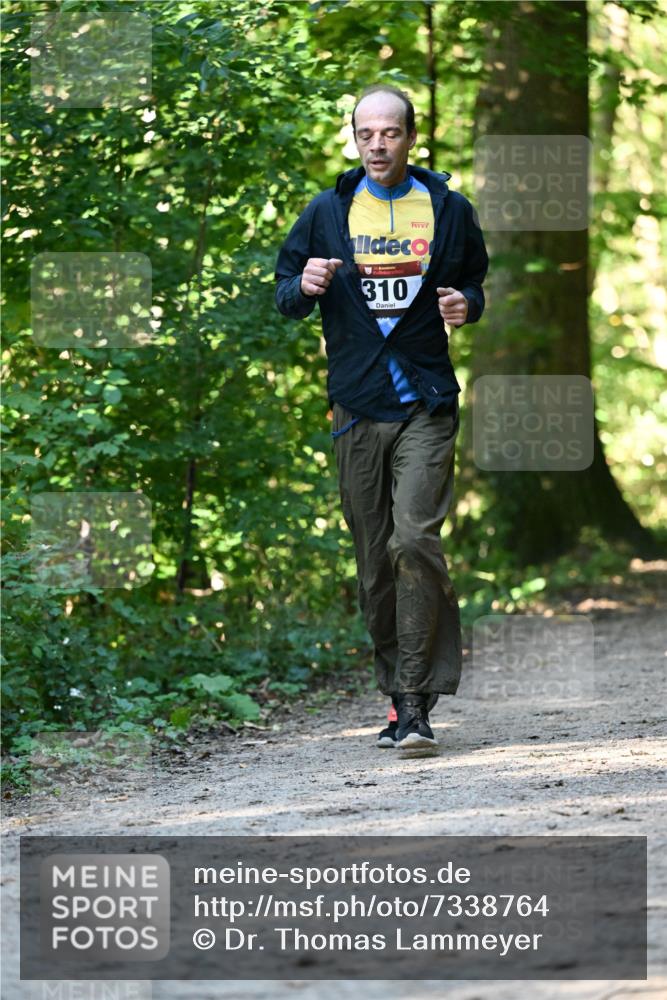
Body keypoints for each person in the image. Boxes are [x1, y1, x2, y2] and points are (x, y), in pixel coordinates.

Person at [274, 84, 488, 750]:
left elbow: (475, 280)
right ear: (353, 137)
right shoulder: (327, 211)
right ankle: (396, 697)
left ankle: (418, 702)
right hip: (355, 406)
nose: (376, 144)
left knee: (413, 542)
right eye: (365, 133)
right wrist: (303, 286)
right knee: (373, 565)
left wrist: (465, 303)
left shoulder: (449, 210)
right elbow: (285, 291)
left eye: (389, 133)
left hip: (425, 401)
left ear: (410, 137)